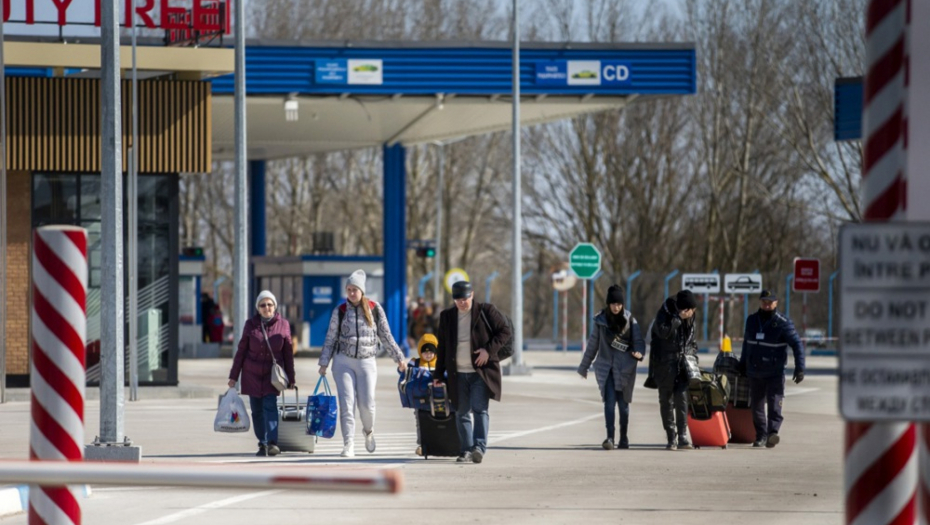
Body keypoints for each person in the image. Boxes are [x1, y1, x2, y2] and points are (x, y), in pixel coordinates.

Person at [318, 269, 407, 458]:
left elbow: (386, 335)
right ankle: (348, 443)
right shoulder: (340, 311)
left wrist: (399, 358)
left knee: (367, 404)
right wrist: (324, 362)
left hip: (367, 362)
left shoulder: (375, 309)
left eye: (354, 289)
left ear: (362, 291)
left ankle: (368, 431)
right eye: (348, 289)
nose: (351, 293)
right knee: (346, 403)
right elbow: (330, 337)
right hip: (343, 362)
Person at [433, 281, 511, 464]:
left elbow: (504, 331)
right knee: (461, 412)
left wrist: (488, 351)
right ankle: (466, 450)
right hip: (457, 374)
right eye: (458, 299)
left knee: (480, 410)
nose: (462, 303)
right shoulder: (447, 316)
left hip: (480, 373)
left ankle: (479, 448)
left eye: (465, 298)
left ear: (472, 295)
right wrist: (438, 375)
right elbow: (442, 347)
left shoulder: (486, 311)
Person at [228, 290, 295, 457]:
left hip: (272, 376)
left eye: (270, 304)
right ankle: (262, 443)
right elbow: (241, 351)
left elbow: (288, 353)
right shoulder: (250, 325)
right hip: (252, 374)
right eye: (263, 305)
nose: (267, 308)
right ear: (258, 308)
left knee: (270, 407)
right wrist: (233, 376)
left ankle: (272, 443)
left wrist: (291, 377)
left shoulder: (283, 325)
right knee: (257, 411)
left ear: (275, 306)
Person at [577, 284, 645, 450]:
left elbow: (638, 341)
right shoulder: (600, 321)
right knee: (609, 403)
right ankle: (610, 437)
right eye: (613, 304)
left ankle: (623, 437)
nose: (616, 307)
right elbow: (593, 344)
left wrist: (639, 353)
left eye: (619, 304)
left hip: (625, 369)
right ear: (608, 304)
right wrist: (584, 367)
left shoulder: (630, 320)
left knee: (624, 406)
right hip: (606, 367)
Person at [739, 290, 805, 448]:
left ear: (776, 303)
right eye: (764, 302)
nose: (766, 305)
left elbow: (797, 344)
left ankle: (772, 433)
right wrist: (743, 363)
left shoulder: (783, 323)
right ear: (760, 302)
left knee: (775, 404)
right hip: (755, 371)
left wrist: (799, 367)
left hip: (775, 372)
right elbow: (746, 343)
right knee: (756, 407)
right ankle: (761, 435)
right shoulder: (752, 320)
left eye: (770, 302)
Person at [650, 289, 699, 450]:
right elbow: (663, 332)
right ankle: (671, 436)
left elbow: (692, 342)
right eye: (691, 310)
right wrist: (678, 318)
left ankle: (683, 435)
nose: (693, 313)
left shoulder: (691, 319)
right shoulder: (664, 313)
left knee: (682, 398)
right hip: (665, 363)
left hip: (682, 363)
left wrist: (694, 359)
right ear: (684, 309)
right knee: (666, 400)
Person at [409, 333, 438, 456]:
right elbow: (404, 373)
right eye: (425, 352)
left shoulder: (440, 363)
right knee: (420, 421)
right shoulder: (415, 363)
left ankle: (440, 442)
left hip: (438, 398)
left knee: (438, 420)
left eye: (431, 352)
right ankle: (422, 444)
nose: (428, 354)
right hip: (420, 399)